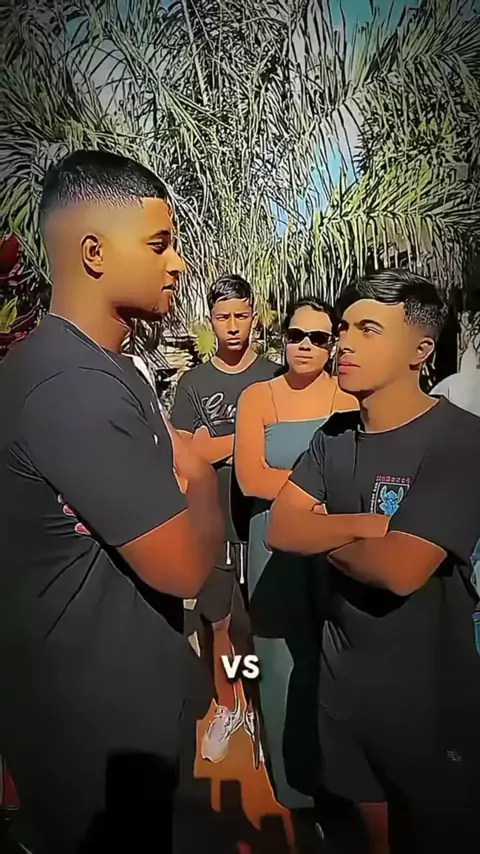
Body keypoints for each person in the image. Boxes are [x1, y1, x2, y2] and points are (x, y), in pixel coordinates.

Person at [0, 150, 223, 854]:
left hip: (116, 714)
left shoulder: (99, 366)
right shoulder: (72, 387)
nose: (178, 263)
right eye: (159, 244)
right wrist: (203, 481)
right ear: (94, 252)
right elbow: (184, 568)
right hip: (94, 743)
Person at [268, 269, 480, 854]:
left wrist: (318, 531)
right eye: (343, 329)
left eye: (368, 329)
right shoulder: (333, 437)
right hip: (342, 689)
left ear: (420, 350)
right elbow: (281, 528)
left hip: (433, 705)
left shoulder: (460, 440)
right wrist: (365, 526)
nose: (344, 343)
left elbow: (399, 570)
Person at [234, 297, 356, 809]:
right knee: (278, 658)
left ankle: (339, 780)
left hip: (331, 542)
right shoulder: (257, 396)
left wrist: (303, 493)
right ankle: (292, 784)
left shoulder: (348, 396)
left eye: (319, 338)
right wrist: (315, 491)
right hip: (272, 542)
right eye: (296, 335)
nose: (305, 345)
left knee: (332, 656)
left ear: (332, 346)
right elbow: (250, 478)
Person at [170, 274, 277, 765]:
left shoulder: (276, 376)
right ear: (210, 321)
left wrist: (216, 446)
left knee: (256, 625)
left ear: (253, 316)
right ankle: (229, 707)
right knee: (218, 623)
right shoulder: (194, 384)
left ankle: (258, 706)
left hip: (264, 525)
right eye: (222, 317)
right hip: (214, 524)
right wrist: (249, 439)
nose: (233, 325)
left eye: (241, 315)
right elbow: (187, 454)